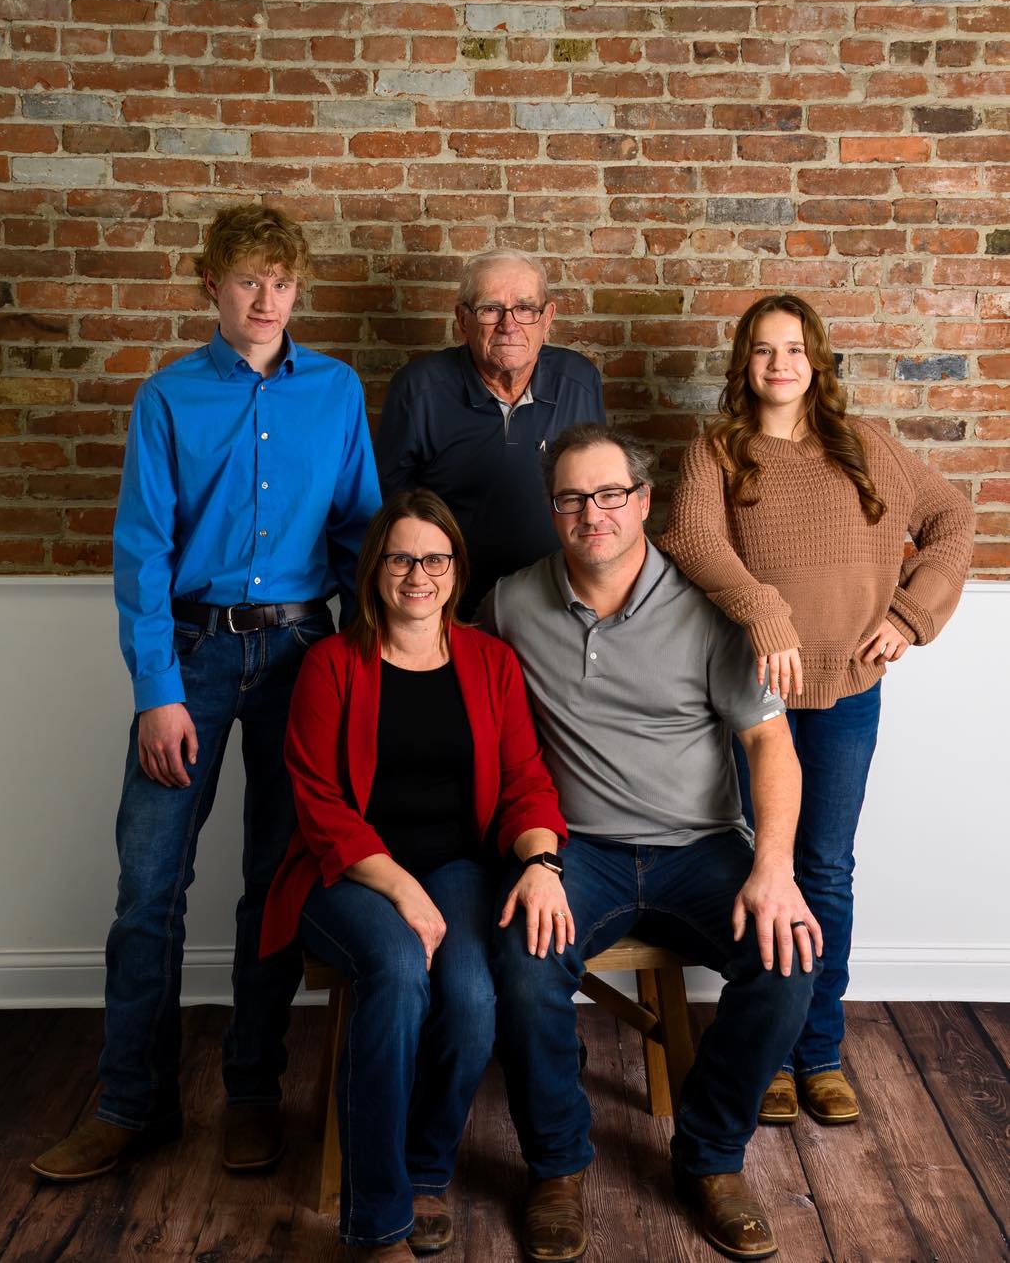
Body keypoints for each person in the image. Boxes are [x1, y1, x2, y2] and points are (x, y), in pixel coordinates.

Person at [31, 204, 381, 1184]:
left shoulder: (338, 392)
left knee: (275, 884)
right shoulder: (168, 399)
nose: (264, 298)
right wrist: (156, 689)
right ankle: (128, 1103)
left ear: (296, 288)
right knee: (149, 888)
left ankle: (252, 1092)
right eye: (244, 280)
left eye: (279, 279)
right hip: (191, 660)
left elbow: (357, 533)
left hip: (305, 658)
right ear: (210, 289)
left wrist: (359, 669)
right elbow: (141, 551)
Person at [480, 424, 820, 1263]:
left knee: (789, 962)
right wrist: (528, 853)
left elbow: (770, 745)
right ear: (552, 509)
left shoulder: (707, 609)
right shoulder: (510, 602)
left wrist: (773, 869)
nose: (591, 514)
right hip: (575, 851)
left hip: (698, 845)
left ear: (643, 502)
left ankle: (708, 1158)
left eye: (609, 496)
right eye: (571, 498)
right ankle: (556, 1169)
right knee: (523, 971)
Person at [659, 294, 974, 1129]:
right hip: (754, 690)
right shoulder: (717, 451)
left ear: (817, 361)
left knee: (826, 868)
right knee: (764, 863)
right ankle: (764, 1050)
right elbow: (691, 539)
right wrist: (765, 612)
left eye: (794, 349)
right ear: (744, 363)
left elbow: (953, 519)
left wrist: (910, 614)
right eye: (762, 350)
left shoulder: (865, 447)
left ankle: (819, 1053)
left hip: (849, 688)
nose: (779, 365)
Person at [260, 488, 570, 1263]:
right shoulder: (331, 664)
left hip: (463, 865)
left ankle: (427, 1166)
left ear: (456, 570)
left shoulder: (492, 662)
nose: (418, 574)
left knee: (469, 996)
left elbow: (528, 778)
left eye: (434, 558)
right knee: (399, 971)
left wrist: (540, 860)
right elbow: (319, 801)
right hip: (350, 872)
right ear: (375, 569)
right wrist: (401, 888)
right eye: (401, 557)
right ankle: (378, 1218)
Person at [374, 248, 605, 615]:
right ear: (462, 319)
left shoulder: (579, 381)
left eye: (526, 309)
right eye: (490, 309)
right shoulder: (418, 390)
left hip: (557, 603)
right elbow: (389, 511)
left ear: (548, 317)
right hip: (451, 606)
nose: (509, 325)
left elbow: (598, 491)